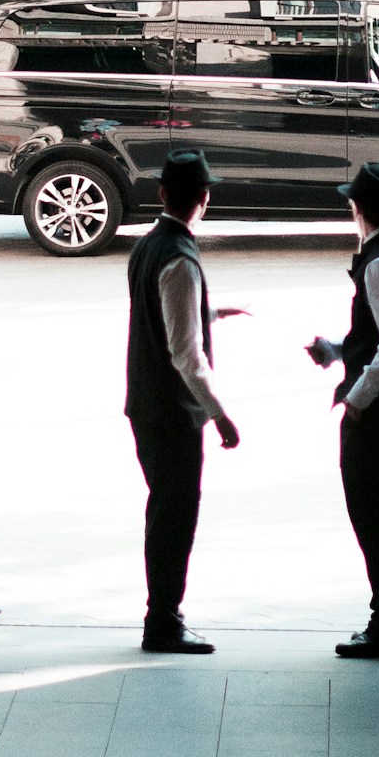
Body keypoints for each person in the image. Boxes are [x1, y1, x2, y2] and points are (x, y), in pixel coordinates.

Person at [306, 160, 379, 660]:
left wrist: (356, 399)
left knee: (374, 517)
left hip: (375, 413)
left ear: (357, 208)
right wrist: (339, 349)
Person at [124, 148, 241, 653]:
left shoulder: (147, 247)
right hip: (173, 413)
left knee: (163, 512)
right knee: (175, 517)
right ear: (205, 199)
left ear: (162, 194)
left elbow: (165, 318)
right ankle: (164, 621)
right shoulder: (181, 260)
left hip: (145, 404)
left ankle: (163, 615)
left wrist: (211, 313)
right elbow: (186, 354)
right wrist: (221, 415)